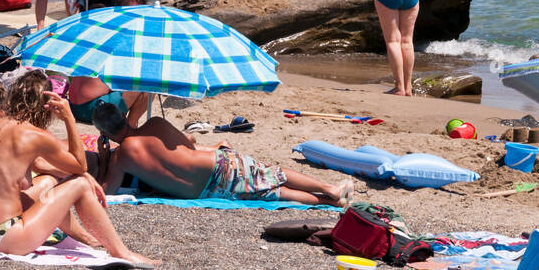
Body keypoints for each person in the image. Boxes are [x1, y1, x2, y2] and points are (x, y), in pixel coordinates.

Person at [0, 70, 159, 268]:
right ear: (46, 106)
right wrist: (69, 120)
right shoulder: (34, 135)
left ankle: (84, 237)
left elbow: (35, 168)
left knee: (48, 182)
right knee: (79, 185)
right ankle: (121, 252)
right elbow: (80, 164)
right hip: (2, 238)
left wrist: (80, 174)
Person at [90, 105, 351, 205]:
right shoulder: (155, 123)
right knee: (271, 175)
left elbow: (107, 193)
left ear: (103, 133)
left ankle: (328, 202)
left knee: (271, 192)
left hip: (205, 191)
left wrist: (103, 160)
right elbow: (189, 148)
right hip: (214, 164)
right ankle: (328, 188)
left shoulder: (120, 158)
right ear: (123, 117)